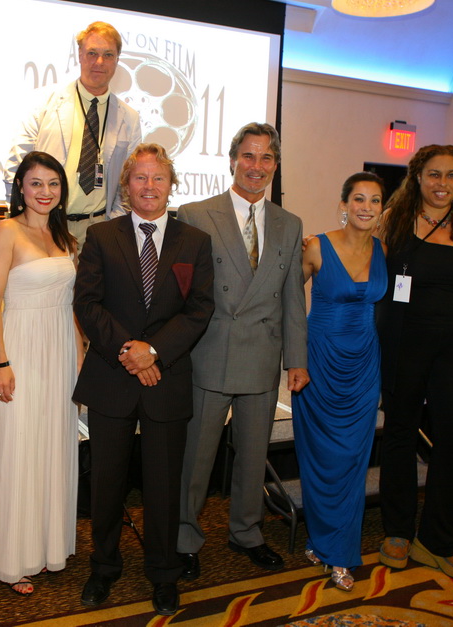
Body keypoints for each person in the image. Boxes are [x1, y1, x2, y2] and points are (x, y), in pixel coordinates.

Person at [73, 143, 214, 616]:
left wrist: (153, 351)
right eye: (140, 178)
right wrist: (129, 351)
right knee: (106, 483)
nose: (149, 186)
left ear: (172, 185)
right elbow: (87, 303)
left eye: (158, 178)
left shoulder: (195, 241)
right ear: (125, 185)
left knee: (164, 486)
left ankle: (163, 572)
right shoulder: (100, 236)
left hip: (166, 378)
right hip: (111, 377)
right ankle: (103, 567)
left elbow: (200, 309)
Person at [175, 123, 309, 579]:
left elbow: (293, 297)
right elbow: (182, 295)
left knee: (253, 457)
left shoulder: (290, 224)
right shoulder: (195, 214)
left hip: (262, 357)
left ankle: (247, 533)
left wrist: (296, 360)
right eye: (248, 156)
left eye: (266, 158)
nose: (257, 166)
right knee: (196, 458)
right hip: (209, 354)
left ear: (275, 165)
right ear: (232, 160)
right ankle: (184, 537)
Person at [376, 144, 453, 581]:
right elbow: (368, 273)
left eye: (451, 175)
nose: (442, 184)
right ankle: (398, 531)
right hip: (404, 347)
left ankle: (438, 538)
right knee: (400, 436)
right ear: (418, 177)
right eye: (434, 175)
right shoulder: (394, 220)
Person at [0, 151, 84, 595]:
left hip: (60, 351)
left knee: (53, 446)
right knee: (18, 449)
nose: (45, 192)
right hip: (19, 350)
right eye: (36, 183)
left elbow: (71, 305)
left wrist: (79, 359)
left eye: (53, 184)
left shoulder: (65, 237)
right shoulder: (6, 231)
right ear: (21, 187)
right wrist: (0, 363)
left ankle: (46, 546)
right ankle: (11, 557)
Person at [295, 172, 388, 592]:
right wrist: (293, 357)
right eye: (359, 199)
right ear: (344, 205)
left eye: (375, 200)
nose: (367, 207)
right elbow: (286, 299)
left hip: (364, 365)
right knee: (322, 458)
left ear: (382, 208)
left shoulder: (384, 251)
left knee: (353, 460)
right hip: (320, 364)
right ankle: (323, 541)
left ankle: (338, 548)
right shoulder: (316, 246)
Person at [5, 21, 142, 248]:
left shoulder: (129, 118)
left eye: (108, 55)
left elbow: (128, 182)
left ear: (117, 59)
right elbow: (16, 165)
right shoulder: (44, 104)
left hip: (99, 229)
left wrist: (113, 228)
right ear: (80, 54)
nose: (99, 62)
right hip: (47, 224)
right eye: (92, 53)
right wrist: (25, 221)